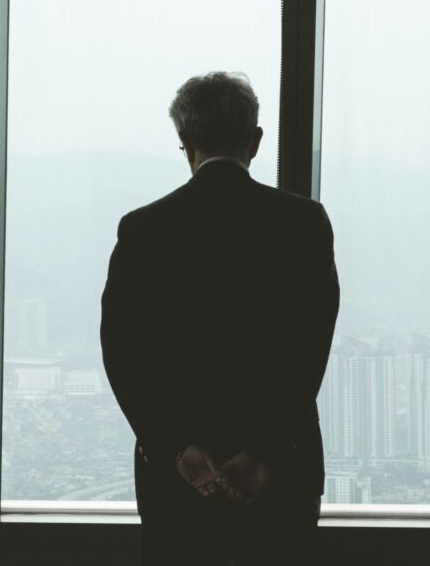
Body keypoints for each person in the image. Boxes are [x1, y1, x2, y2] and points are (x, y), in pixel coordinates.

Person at [100, 72, 340, 565]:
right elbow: (308, 352)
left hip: (180, 481)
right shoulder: (302, 224)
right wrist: (265, 452)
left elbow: (122, 353)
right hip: (281, 476)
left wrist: (176, 448)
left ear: (184, 141)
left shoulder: (144, 230)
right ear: (255, 140)